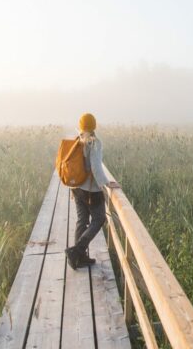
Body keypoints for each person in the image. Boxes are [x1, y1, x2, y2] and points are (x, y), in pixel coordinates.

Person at [65, 113, 119, 269]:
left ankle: (78, 258)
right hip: (91, 191)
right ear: (94, 126)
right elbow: (96, 167)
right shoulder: (95, 143)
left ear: (81, 126)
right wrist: (107, 184)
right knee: (99, 219)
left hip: (77, 188)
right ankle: (76, 251)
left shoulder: (77, 141)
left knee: (82, 221)